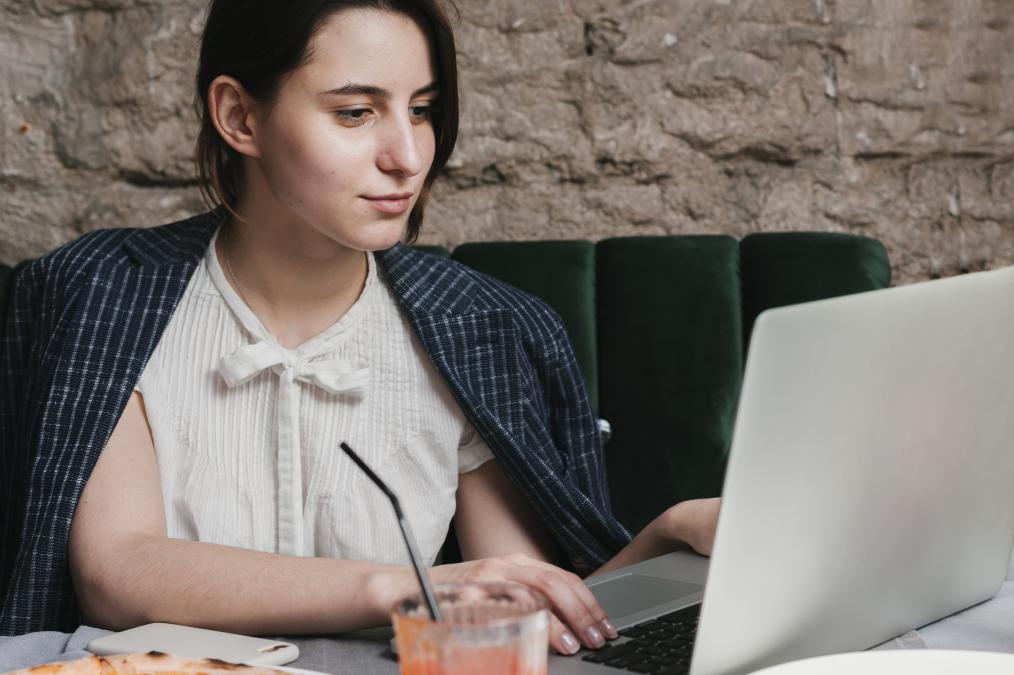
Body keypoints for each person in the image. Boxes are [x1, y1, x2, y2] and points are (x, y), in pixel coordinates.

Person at [0, 0, 720, 654]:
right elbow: (119, 568)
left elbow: (522, 609)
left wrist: (668, 532)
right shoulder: (104, 293)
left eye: (423, 109)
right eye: (355, 112)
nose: (407, 157)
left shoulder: (482, 330)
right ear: (240, 117)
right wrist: (393, 585)